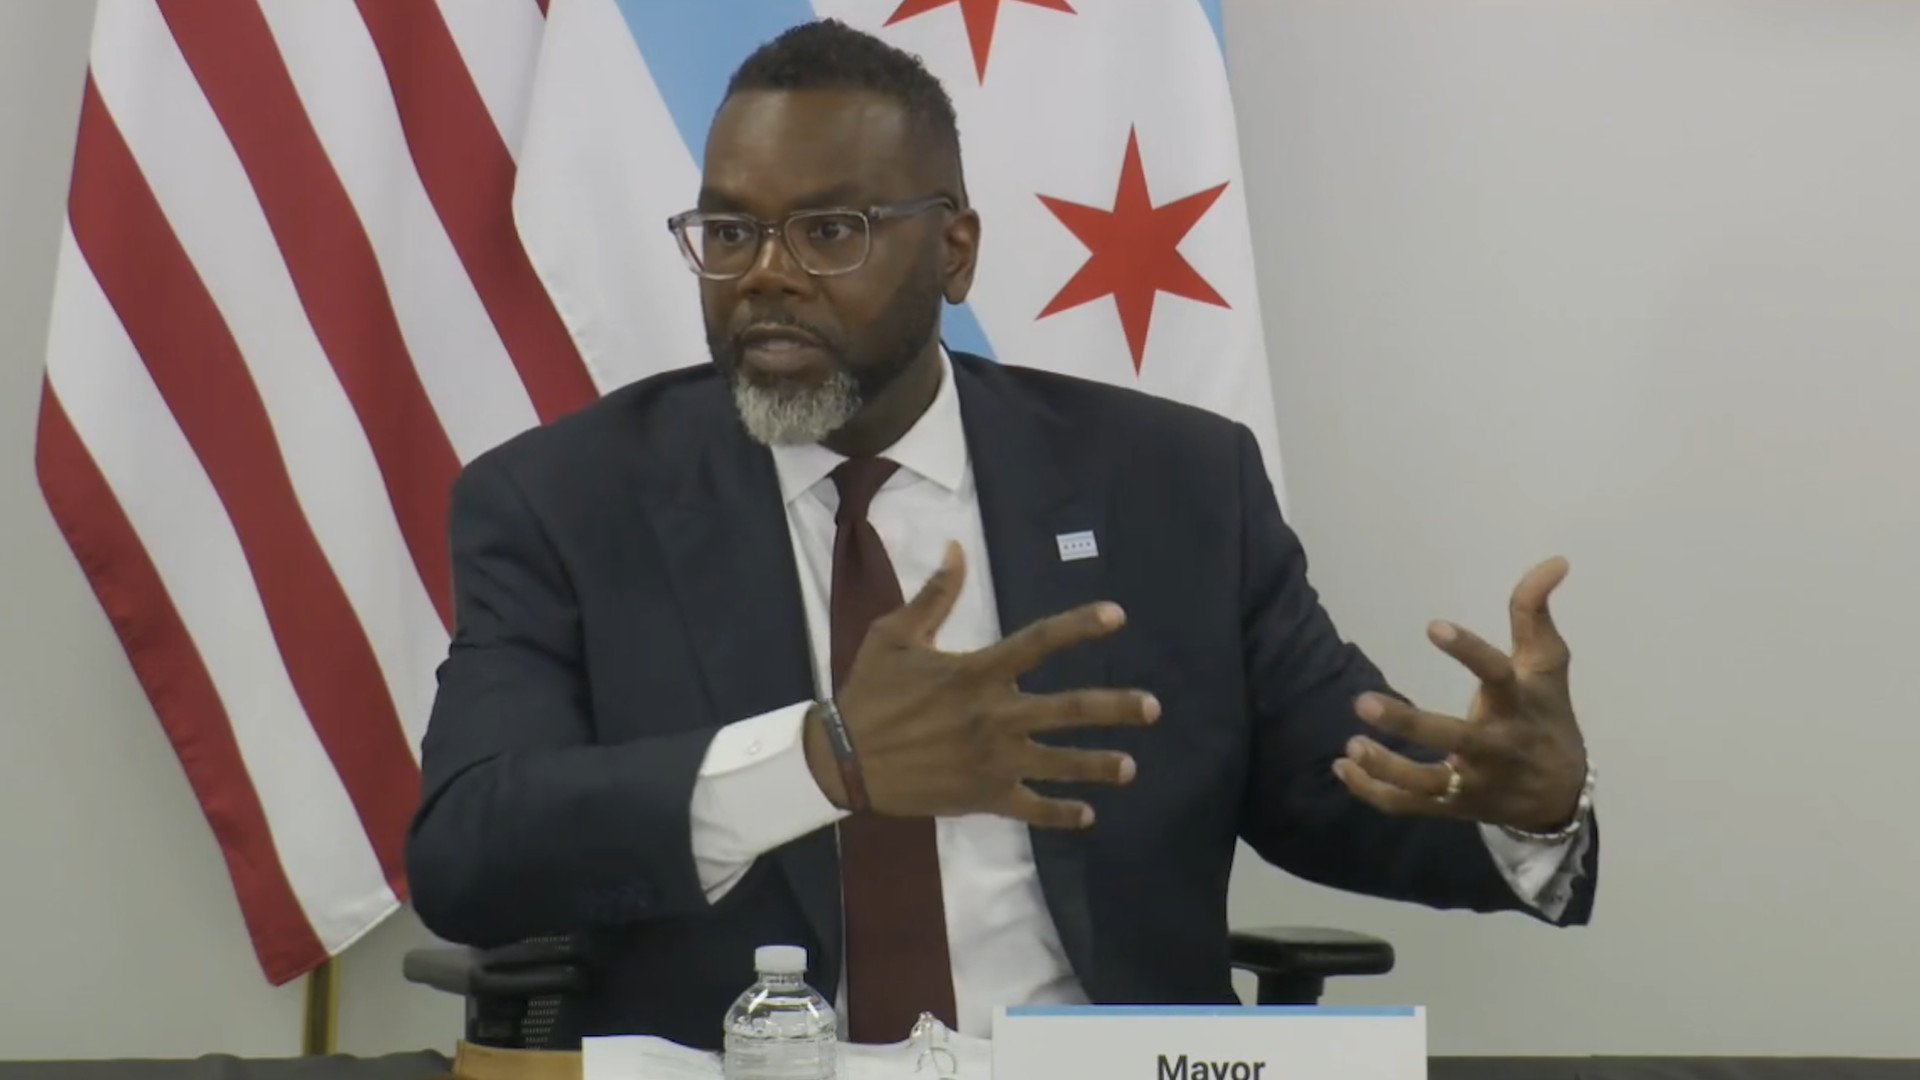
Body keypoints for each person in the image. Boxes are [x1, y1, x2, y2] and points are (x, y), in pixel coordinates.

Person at [406, 18, 1598, 1052]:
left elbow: (1336, 790)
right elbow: (468, 850)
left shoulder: (1174, 486)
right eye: (729, 233)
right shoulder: (564, 503)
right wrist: (821, 762)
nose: (766, 276)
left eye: (831, 231)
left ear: (956, 250)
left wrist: (1519, 808)